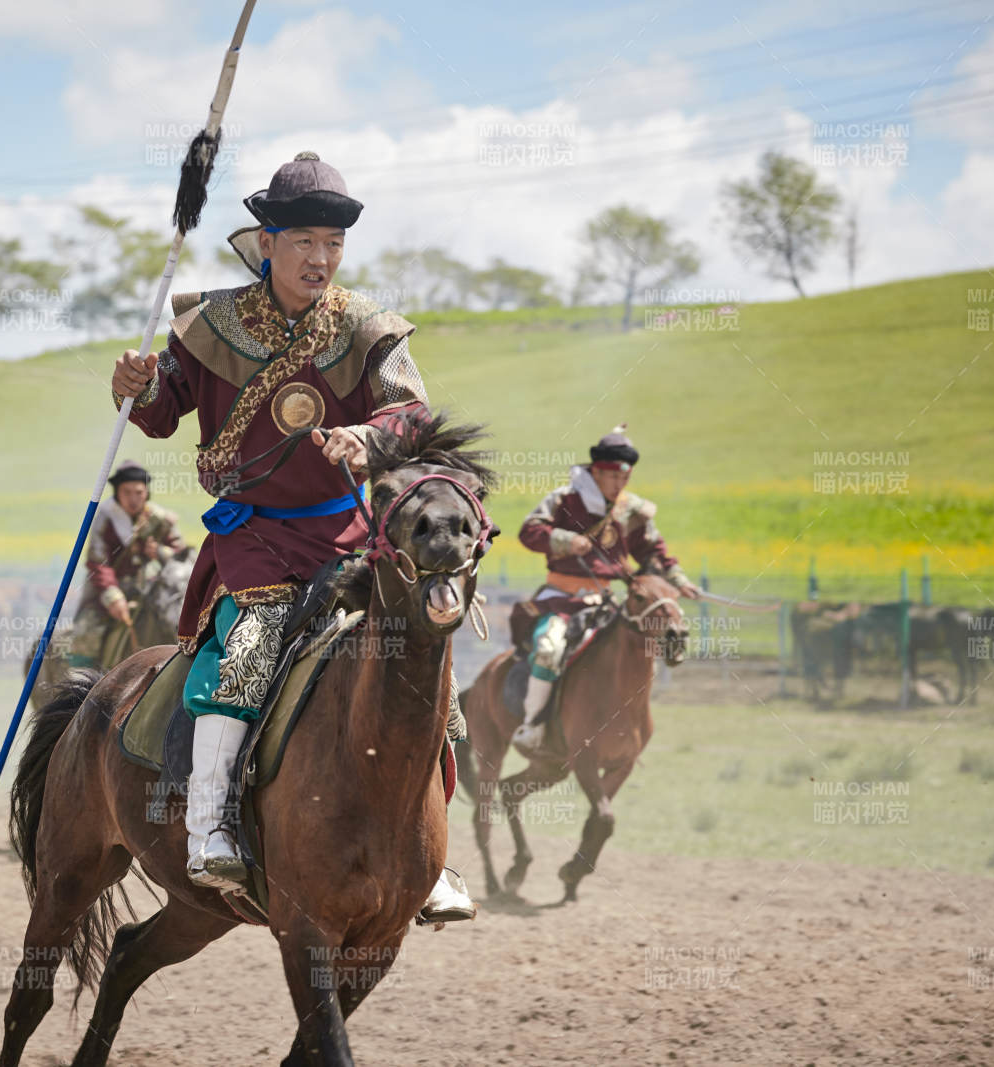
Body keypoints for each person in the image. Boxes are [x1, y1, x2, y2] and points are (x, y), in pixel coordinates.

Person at [110, 151, 474, 924]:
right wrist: (135, 385)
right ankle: (209, 826)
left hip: (349, 539)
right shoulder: (208, 324)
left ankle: (429, 853)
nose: (320, 258)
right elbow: (161, 410)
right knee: (247, 649)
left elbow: (413, 415)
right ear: (266, 241)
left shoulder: (370, 328)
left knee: (427, 674)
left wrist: (366, 439)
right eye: (305, 241)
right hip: (257, 538)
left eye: (333, 245)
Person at [511, 424, 701, 756]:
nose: (620, 485)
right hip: (560, 599)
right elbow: (530, 531)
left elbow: (654, 553)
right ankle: (533, 725)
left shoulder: (633, 511)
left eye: (625, 478)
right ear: (597, 472)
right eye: (614, 477)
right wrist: (567, 540)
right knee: (549, 649)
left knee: (637, 651)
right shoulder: (563, 499)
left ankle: (624, 731)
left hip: (607, 602)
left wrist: (679, 580)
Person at [69, 460, 186, 670]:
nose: (133, 499)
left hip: (152, 589)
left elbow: (184, 557)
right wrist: (113, 597)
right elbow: (98, 562)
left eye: (138, 492)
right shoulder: (105, 519)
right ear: (117, 492)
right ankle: (78, 688)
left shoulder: (160, 519)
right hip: (108, 592)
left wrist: (159, 552)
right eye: (127, 492)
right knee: (87, 632)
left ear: (146, 493)